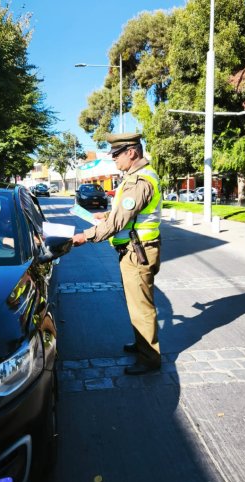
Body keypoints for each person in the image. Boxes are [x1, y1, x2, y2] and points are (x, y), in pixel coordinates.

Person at [72, 132, 164, 375]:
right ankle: (143, 344)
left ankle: (150, 358)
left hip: (138, 252)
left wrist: (86, 236)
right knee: (136, 303)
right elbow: (123, 215)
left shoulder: (139, 181)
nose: (114, 159)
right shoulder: (134, 178)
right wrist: (106, 216)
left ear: (131, 152)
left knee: (141, 306)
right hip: (135, 250)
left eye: (116, 155)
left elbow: (119, 222)